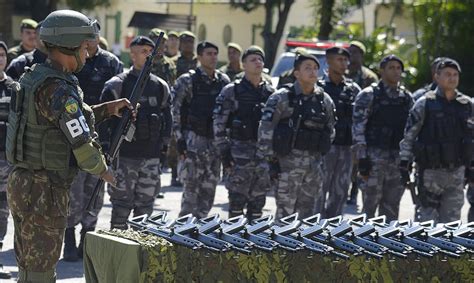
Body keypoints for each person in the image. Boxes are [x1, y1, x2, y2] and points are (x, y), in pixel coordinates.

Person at [5, 10, 134, 282]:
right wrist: (103, 170)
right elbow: (80, 138)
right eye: (85, 49)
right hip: (44, 190)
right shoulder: (59, 88)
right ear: (69, 47)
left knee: (29, 264)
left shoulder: (38, 77)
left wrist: (108, 109)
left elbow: (68, 119)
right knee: (41, 269)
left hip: (25, 182)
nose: (88, 55)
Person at [62, 31, 123, 261]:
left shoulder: (111, 63)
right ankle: (69, 239)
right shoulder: (72, 62)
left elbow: (121, 90)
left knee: (94, 195)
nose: (90, 42)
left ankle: (86, 238)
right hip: (75, 135)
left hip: (103, 136)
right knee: (74, 193)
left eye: (94, 36)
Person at [101, 36, 172, 230]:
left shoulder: (160, 86)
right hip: (124, 157)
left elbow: (167, 119)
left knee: (145, 210)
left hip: (150, 157)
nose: (149, 55)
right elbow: (103, 122)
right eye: (143, 51)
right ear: (132, 55)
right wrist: (106, 150)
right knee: (121, 209)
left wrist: (164, 151)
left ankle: (139, 254)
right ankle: (117, 254)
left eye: (151, 51)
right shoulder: (117, 84)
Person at [257, 53, 336, 219]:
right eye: (307, 68)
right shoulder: (281, 98)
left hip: (313, 169)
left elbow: (330, 130)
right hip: (286, 167)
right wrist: (271, 162)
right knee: (284, 216)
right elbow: (265, 132)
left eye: (315, 68)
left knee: (307, 217)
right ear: (296, 73)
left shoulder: (324, 100)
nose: (313, 72)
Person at [400, 58, 472, 223]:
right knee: (426, 224)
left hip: (456, 173)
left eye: (455, 75)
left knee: (451, 224)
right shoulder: (424, 103)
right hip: (430, 173)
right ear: (437, 77)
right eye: (447, 74)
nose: (452, 78)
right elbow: (409, 136)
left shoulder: (467, 104)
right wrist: (404, 163)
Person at [213, 46, 274, 220]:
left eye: (260, 59)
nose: (258, 63)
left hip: (262, 159)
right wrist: (224, 153)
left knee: (257, 209)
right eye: (253, 59)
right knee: (236, 208)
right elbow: (219, 124)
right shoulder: (232, 91)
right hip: (238, 157)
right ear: (244, 64)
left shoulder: (271, 93)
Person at [173, 41, 230, 218]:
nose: (213, 57)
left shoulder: (223, 82)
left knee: (208, 195)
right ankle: (183, 238)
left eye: (215, 53)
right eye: (209, 54)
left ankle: (199, 237)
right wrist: (179, 141)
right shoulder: (187, 80)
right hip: (193, 142)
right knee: (190, 195)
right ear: (199, 57)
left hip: (214, 145)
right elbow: (174, 111)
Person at [352, 55, 413, 221]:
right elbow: (358, 128)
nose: (395, 71)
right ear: (382, 71)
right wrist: (362, 158)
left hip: (396, 159)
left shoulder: (406, 98)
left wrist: (408, 160)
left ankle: (387, 244)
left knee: (392, 207)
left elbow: (411, 131)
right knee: (369, 206)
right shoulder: (369, 95)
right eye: (391, 68)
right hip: (373, 158)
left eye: (398, 68)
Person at [314, 47, 361, 218]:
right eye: (339, 60)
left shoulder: (353, 89)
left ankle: (332, 232)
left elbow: (360, 119)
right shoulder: (318, 87)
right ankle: (314, 231)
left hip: (346, 149)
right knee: (318, 192)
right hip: (324, 149)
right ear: (328, 61)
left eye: (345, 60)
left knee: (339, 193)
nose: (344, 64)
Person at [346, 40, 379, 206]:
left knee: (358, 161)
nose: (352, 56)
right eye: (350, 52)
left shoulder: (369, 77)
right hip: (345, 124)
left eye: (356, 52)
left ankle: (354, 192)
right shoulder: (342, 73)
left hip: (362, 124)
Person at [0, 41, 14, 280]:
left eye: (2, 55)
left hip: (7, 159)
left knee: (2, 212)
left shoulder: (15, 88)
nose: (0, 58)